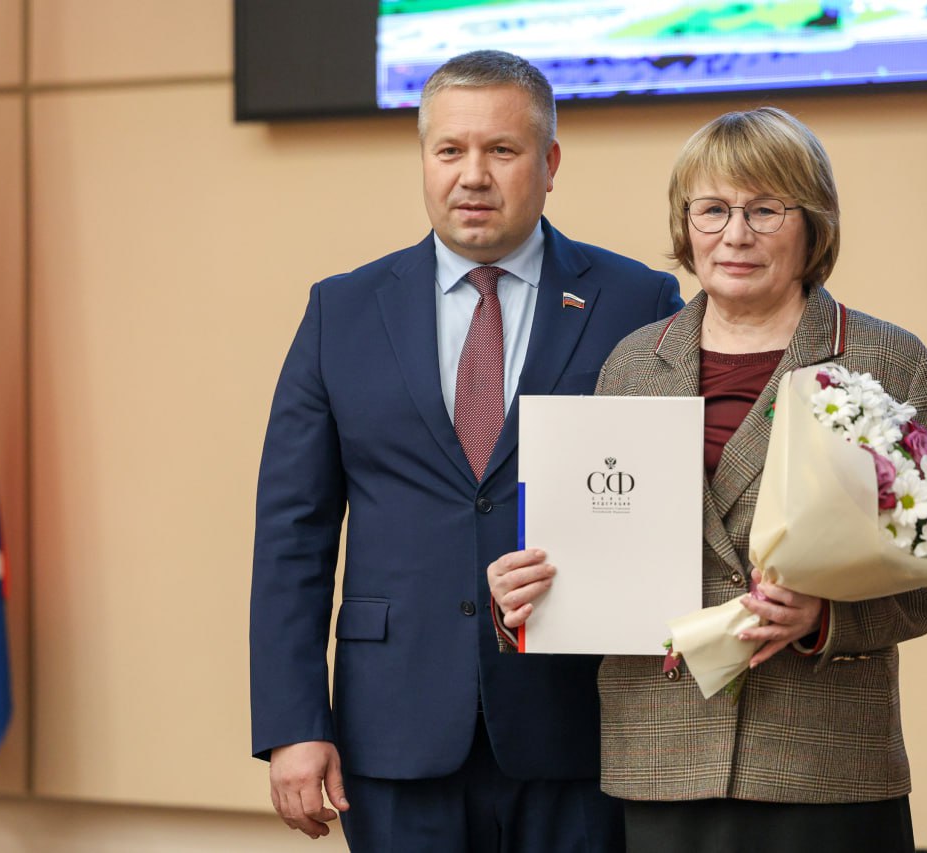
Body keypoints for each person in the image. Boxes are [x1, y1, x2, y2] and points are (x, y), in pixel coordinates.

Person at [488, 106, 927, 852]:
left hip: (823, 760)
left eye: (764, 209)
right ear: (686, 226)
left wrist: (825, 620)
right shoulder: (630, 364)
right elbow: (595, 553)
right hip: (661, 756)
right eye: (712, 209)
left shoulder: (884, 361)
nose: (735, 234)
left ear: (812, 224)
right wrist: (527, 600)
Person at [250, 50, 682, 852]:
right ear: (424, 160)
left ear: (549, 164)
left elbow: (669, 506)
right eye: (450, 150)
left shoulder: (638, 301)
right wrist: (291, 723)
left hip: (575, 730)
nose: (472, 175)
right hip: (393, 730)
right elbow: (291, 535)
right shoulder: (340, 311)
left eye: (502, 151)